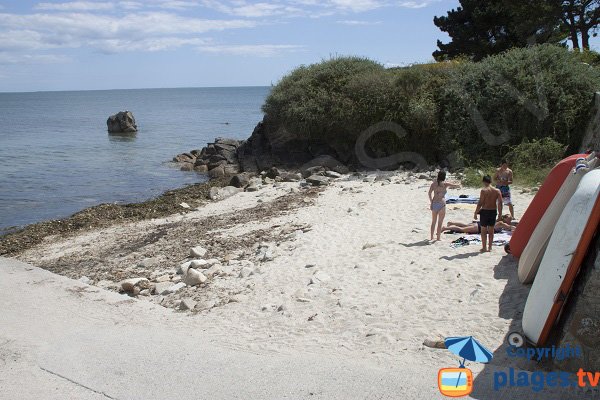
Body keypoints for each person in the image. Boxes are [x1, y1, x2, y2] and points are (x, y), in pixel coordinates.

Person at [428, 171, 461, 241]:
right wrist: (459, 184)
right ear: (444, 177)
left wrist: (431, 202)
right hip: (442, 204)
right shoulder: (445, 184)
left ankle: (431, 237)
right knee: (440, 222)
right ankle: (438, 238)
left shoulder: (433, 184)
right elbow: (455, 185)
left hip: (434, 203)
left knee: (433, 221)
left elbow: (429, 193)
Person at [474, 175, 503, 252]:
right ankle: (490, 247)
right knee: (491, 230)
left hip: (485, 211)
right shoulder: (497, 191)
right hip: (493, 211)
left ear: (484, 181)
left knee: (483, 230)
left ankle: (484, 247)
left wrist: (476, 212)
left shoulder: (484, 191)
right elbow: (500, 203)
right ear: (490, 181)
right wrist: (500, 214)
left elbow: (480, 203)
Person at [442, 214, 516, 234]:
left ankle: (451, 223)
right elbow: (509, 227)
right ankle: (445, 228)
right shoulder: (501, 223)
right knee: (463, 229)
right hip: (480, 228)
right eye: (509, 219)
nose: (510, 220)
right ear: (505, 219)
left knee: (465, 225)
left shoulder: (498, 221)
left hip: (480, 224)